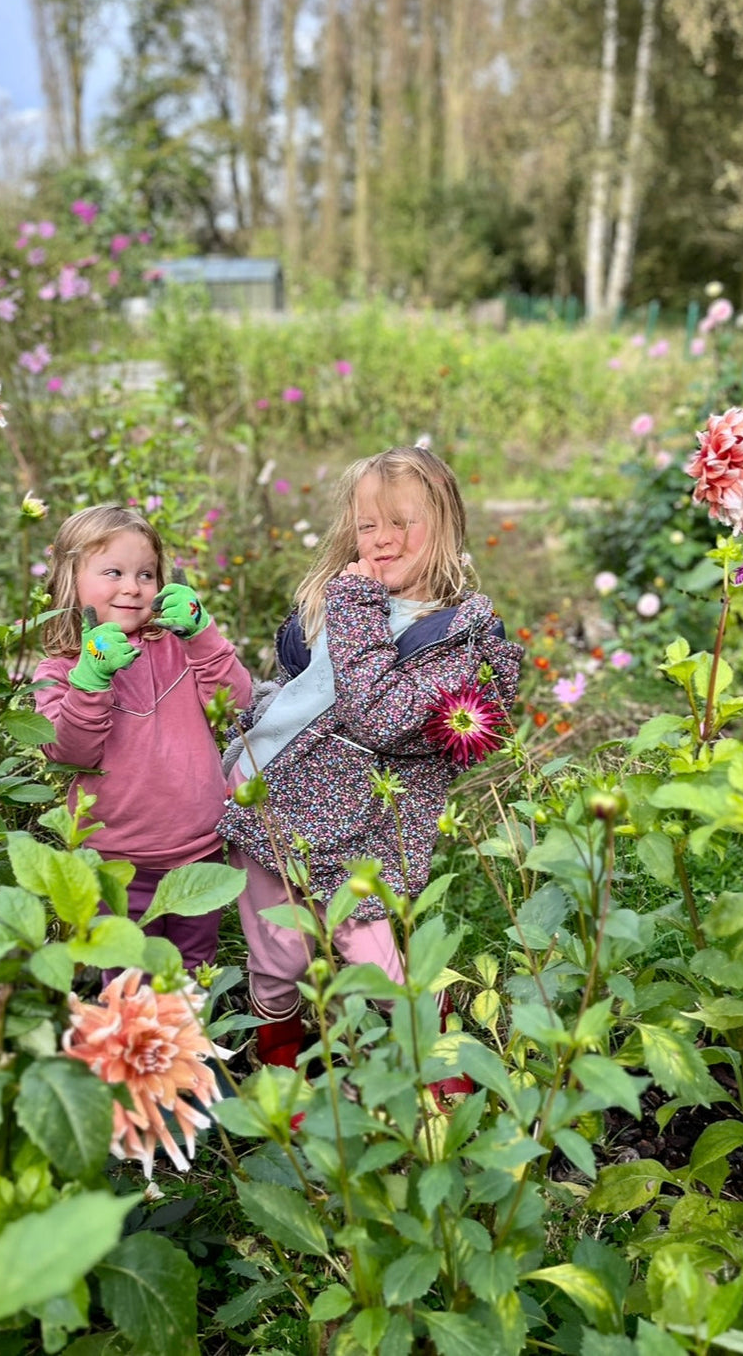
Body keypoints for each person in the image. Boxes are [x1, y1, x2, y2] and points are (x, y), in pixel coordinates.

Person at [219, 446, 524, 1072]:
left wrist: (354, 605)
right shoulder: (345, 605)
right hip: (271, 811)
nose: (382, 540)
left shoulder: (460, 638)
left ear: (445, 523)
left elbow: (377, 714)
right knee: (278, 956)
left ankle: (436, 1075)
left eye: (401, 522)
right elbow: (306, 696)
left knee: (383, 966)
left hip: (365, 836)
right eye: (367, 526)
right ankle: (279, 1066)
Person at [34, 505, 253, 974]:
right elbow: (68, 752)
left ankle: (192, 1046)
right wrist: (88, 682)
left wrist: (203, 635)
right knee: (127, 973)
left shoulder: (180, 646)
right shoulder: (58, 671)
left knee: (194, 968)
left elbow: (237, 704)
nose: (132, 587)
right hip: (115, 860)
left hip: (197, 848)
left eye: (146, 574)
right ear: (70, 581)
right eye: (113, 572)